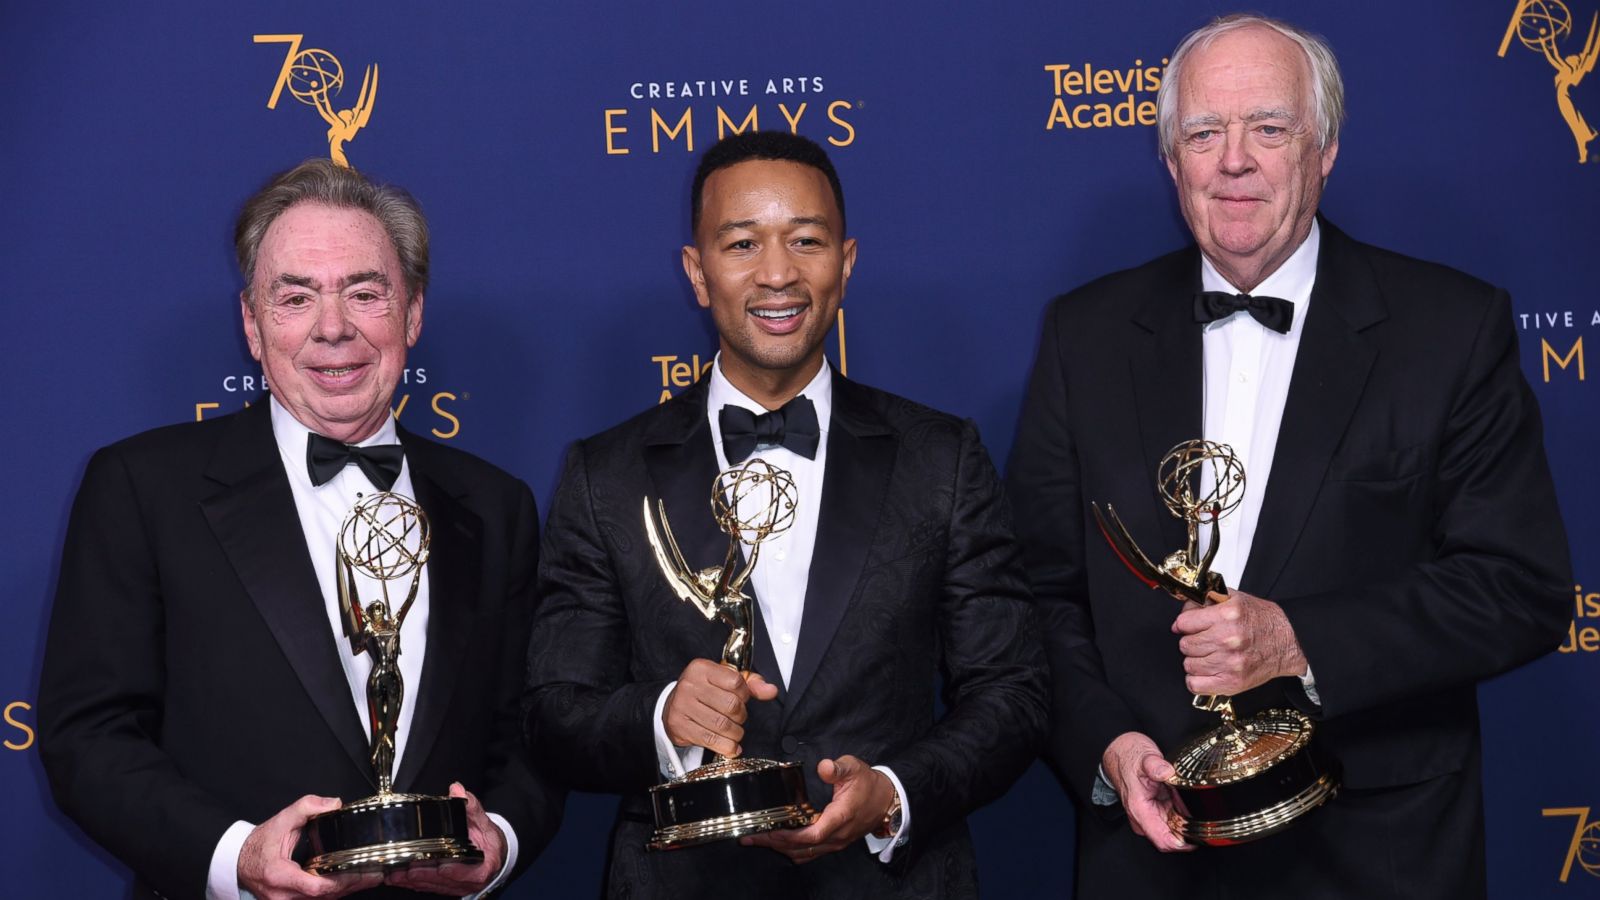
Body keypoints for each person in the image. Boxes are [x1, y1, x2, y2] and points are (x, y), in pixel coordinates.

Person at [1007, 13, 1572, 899]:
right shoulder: (1084, 334)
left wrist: (1299, 641)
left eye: (1269, 128)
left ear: (1326, 150)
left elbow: (1520, 589)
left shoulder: (1451, 329)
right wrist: (1109, 748)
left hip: (1377, 853)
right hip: (1151, 855)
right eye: (1204, 132)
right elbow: (1038, 593)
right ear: (1170, 161)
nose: (1235, 160)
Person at [524, 130, 1048, 899]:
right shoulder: (605, 475)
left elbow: (1014, 691)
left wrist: (894, 794)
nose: (778, 274)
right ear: (697, 274)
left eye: (806, 240)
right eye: (742, 244)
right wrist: (665, 718)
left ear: (847, 262)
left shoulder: (942, 455)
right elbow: (553, 716)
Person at [38, 159, 562, 900]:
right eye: (295, 297)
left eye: (365, 292)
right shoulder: (141, 488)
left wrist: (497, 844)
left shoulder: (496, 504)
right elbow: (86, 739)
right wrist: (237, 857)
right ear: (252, 325)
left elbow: (534, 733)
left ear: (411, 313)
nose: (334, 328)